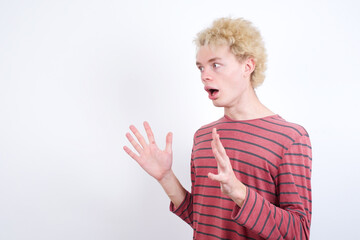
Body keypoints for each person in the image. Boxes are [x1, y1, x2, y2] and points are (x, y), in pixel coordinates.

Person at [123, 17, 312, 240]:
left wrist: (240, 193)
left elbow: (298, 232)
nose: (205, 75)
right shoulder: (203, 137)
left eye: (216, 65)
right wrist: (166, 177)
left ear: (248, 66)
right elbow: (201, 219)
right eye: (201, 67)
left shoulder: (290, 138)